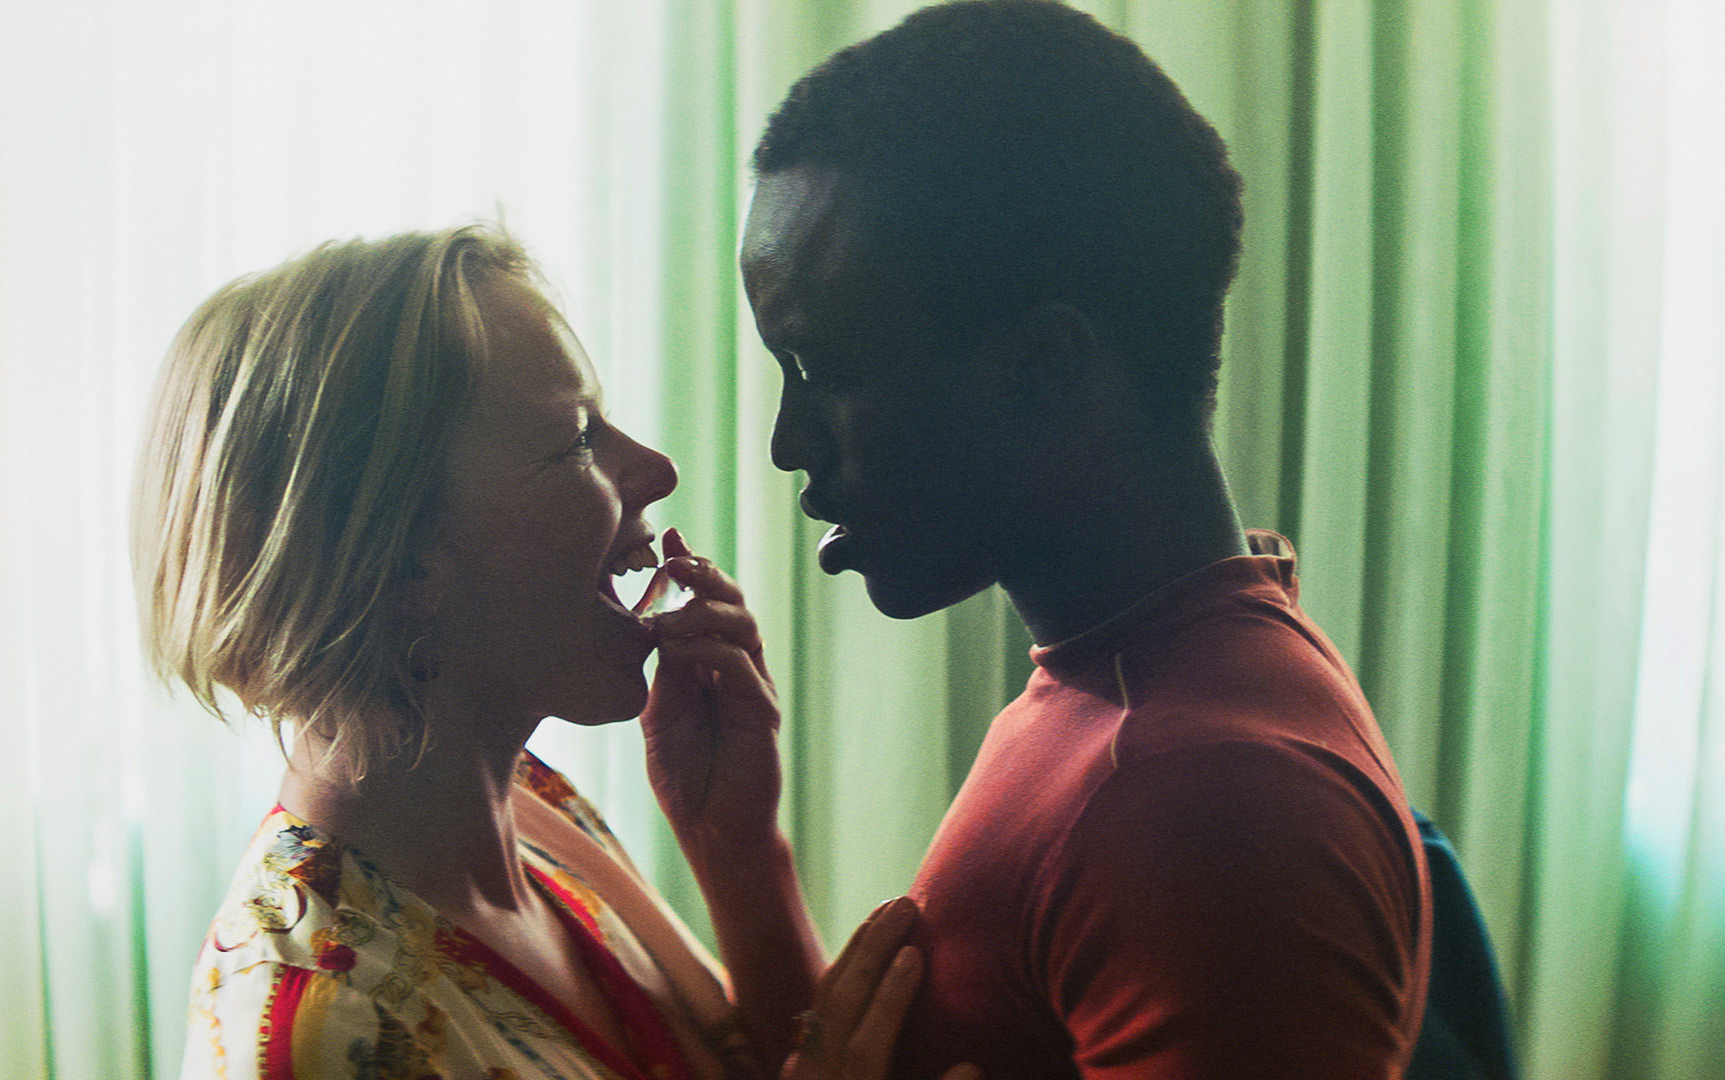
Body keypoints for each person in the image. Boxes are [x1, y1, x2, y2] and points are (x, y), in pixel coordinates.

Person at [740, 2, 1433, 1078]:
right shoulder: (1127, 685)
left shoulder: (1199, 798)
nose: (790, 444)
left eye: (822, 371)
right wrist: (737, 847)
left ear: (1042, 369)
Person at [134, 227, 947, 1080]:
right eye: (578, 440)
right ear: (396, 559)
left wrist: (735, 850)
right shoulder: (321, 1037)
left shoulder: (536, 814)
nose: (658, 470)